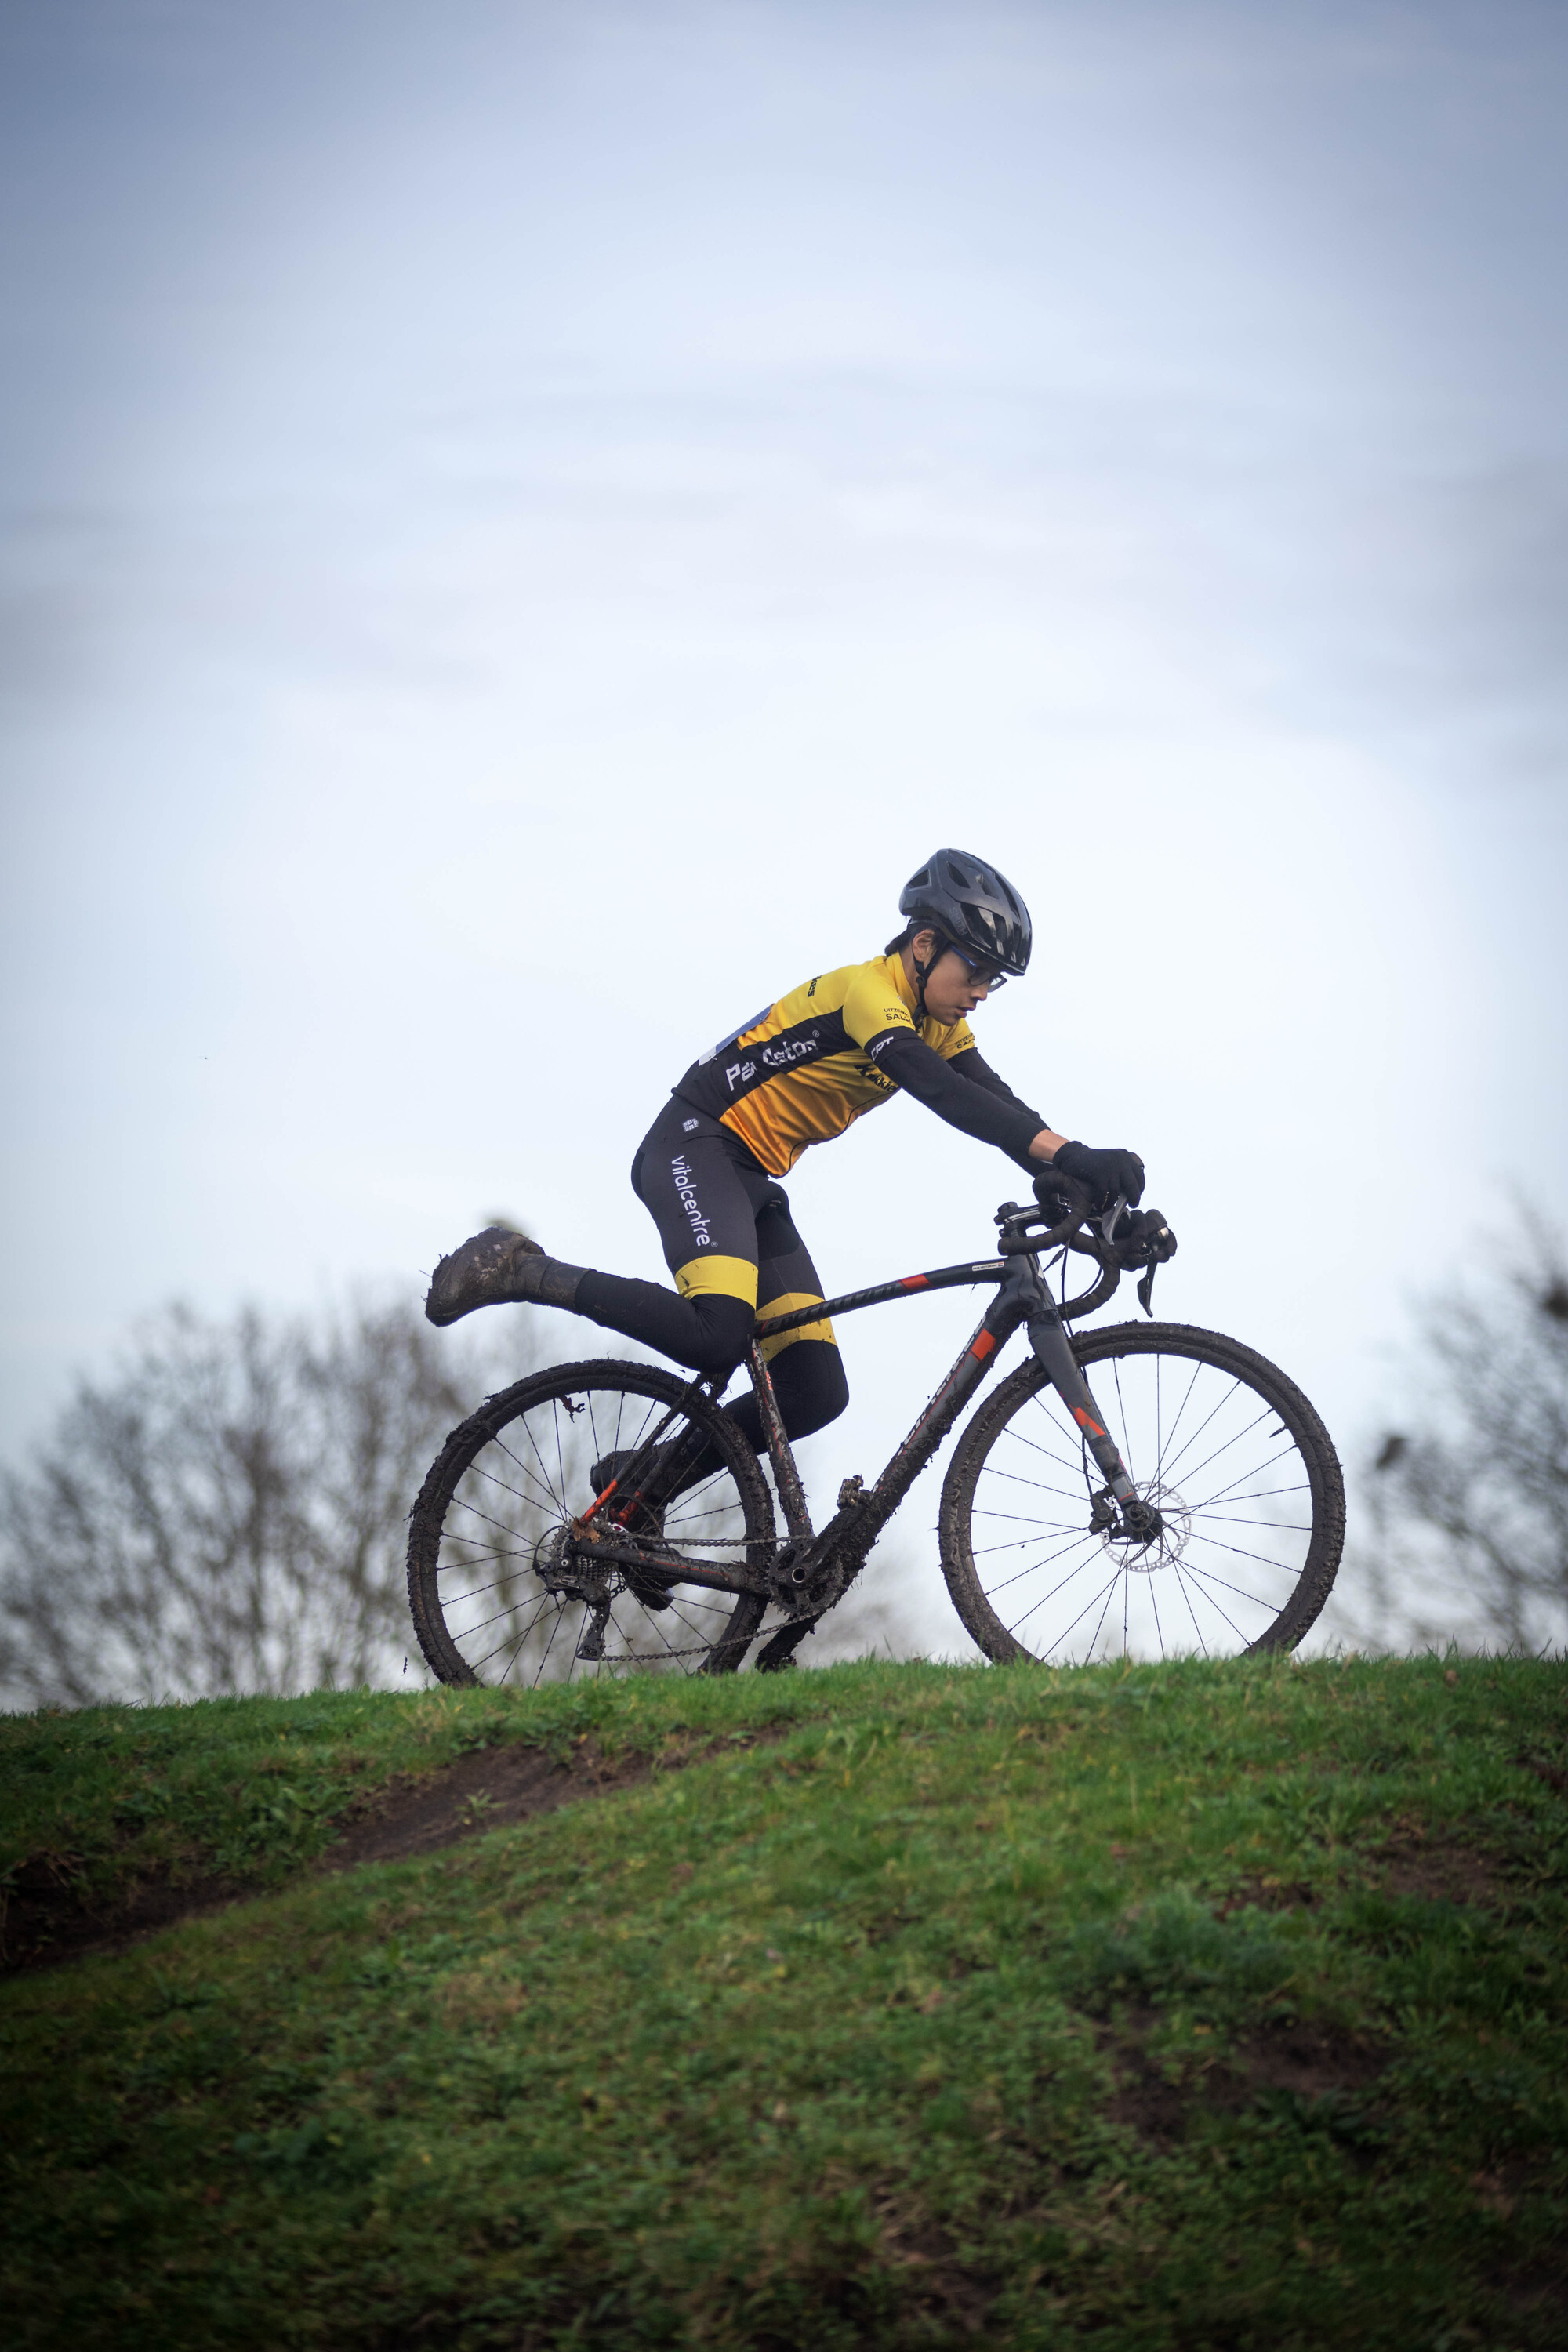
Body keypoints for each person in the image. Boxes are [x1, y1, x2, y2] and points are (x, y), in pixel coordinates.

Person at [425, 848, 1147, 1466]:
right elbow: (942, 1094)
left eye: (998, 982)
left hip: (751, 1181)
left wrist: (1078, 1187)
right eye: (978, 971)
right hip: (696, 1145)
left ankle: (637, 1487)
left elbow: (1000, 1106)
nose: (984, 993)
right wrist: (1072, 1155)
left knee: (813, 1391)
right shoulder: (868, 995)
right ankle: (520, 1268)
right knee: (718, 1335)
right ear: (924, 945)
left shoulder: (935, 1019)